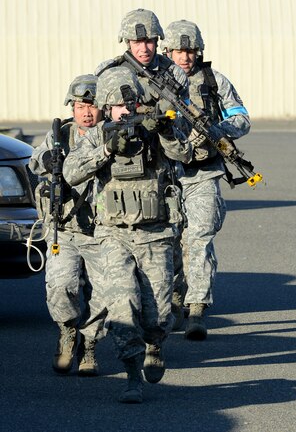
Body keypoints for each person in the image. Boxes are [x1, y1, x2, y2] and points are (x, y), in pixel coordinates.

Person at [62, 66, 192, 403]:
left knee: (160, 314)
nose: (125, 109)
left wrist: (164, 131)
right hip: (113, 236)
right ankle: (132, 376)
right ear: (106, 107)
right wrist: (105, 150)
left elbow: (185, 154)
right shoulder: (96, 134)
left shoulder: (155, 129)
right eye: (118, 105)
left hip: (156, 234)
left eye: (130, 103)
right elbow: (70, 172)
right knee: (122, 307)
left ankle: (155, 343)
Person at [161, 19, 251, 340]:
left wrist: (216, 129)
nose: (185, 57)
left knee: (198, 237)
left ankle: (196, 306)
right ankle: (172, 298)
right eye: (179, 50)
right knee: (168, 240)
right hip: (165, 175)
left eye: (191, 50)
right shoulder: (153, 81)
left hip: (203, 173)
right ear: (166, 50)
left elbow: (241, 119)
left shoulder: (214, 82)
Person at [29, 74, 105, 375]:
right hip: (67, 229)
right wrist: (50, 158)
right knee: (61, 287)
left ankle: (90, 346)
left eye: (93, 105)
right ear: (71, 107)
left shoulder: (112, 135)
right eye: (80, 105)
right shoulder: (61, 134)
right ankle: (68, 330)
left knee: (103, 295)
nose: (87, 112)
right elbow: (34, 162)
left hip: (103, 231)